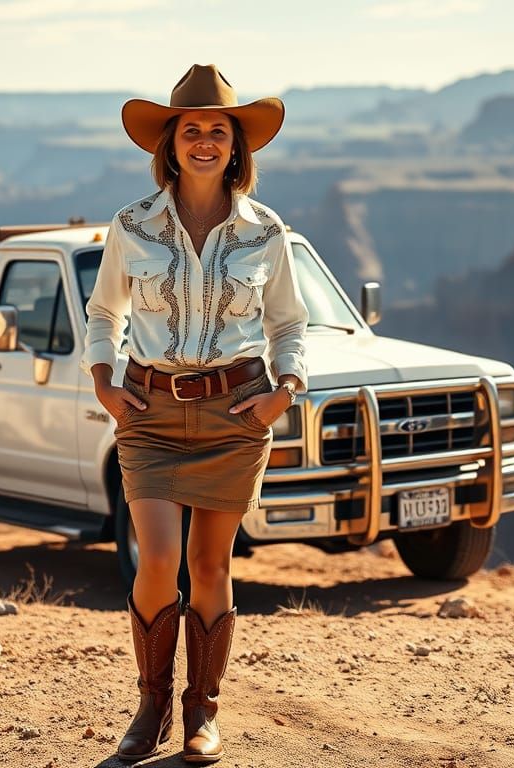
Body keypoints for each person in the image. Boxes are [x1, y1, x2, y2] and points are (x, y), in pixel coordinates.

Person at [79, 64, 309, 763]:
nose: (204, 141)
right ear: (170, 144)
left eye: (218, 130)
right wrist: (102, 380)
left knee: (210, 566)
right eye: (191, 130)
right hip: (148, 413)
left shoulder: (266, 232)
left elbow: (290, 324)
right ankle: (148, 709)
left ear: (238, 146)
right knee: (157, 557)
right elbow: (104, 311)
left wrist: (284, 391)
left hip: (236, 415)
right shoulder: (131, 225)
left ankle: (201, 715)